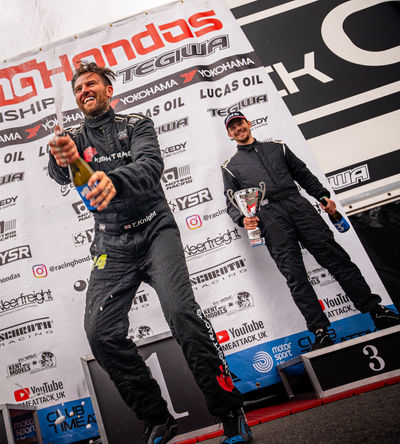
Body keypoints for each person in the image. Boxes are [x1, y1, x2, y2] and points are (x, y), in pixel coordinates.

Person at [47, 62, 250, 444]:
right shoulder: (73, 139)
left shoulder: (136, 124)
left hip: (156, 229)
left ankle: (229, 410)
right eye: (78, 88)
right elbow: (60, 173)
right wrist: (59, 157)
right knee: (100, 334)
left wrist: (113, 179)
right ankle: (156, 418)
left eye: (91, 84)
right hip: (110, 244)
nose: (84, 91)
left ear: (108, 89)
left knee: (182, 313)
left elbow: (151, 165)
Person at [220, 111, 400, 350]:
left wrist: (322, 196)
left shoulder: (278, 148)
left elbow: (303, 174)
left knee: (337, 259)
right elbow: (231, 202)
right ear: (229, 134)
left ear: (248, 123)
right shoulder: (230, 167)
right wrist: (243, 220)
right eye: (232, 127)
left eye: (240, 123)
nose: (238, 129)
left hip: (299, 207)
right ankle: (320, 331)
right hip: (270, 218)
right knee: (295, 277)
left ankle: (375, 310)